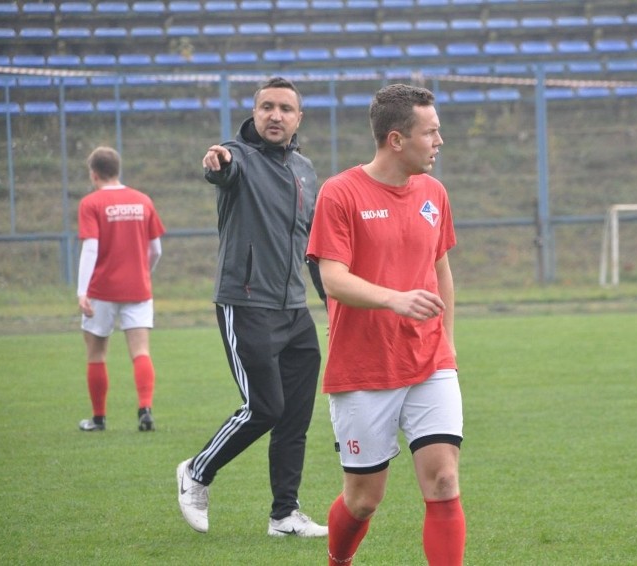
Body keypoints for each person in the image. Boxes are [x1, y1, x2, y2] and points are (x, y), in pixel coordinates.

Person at [306, 84, 465, 565]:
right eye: (431, 132)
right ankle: (339, 560)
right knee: (363, 499)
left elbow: (441, 271)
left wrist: (449, 350)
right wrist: (394, 299)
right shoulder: (340, 193)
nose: (440, 141)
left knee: (443, 480)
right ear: (396, 140)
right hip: (363, 366)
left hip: (429, 359)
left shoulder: (434, 192)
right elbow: (332, 278)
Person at [176, 76, 328, 538]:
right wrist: (216, 163)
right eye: (267, 107)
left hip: (294, 309)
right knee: (264, 407)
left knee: (295, 416)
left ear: (298, 118)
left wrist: (333, 305)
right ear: (254, 112)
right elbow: (220, 169)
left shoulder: (305, 170)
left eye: (285, 108)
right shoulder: (235, 155)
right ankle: (197, 472)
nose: (275, 115)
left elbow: (313, 247)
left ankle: (284, 514)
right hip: (245, 303)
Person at [76, 146, 165, 432]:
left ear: (94, 174)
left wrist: (82, 291)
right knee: (140, 351)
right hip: (138, 288)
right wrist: (143, 273)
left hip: (101, 289)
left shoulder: (91, 203)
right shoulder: (143, 200)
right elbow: (156, 249)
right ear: (117, 170)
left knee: (96, 353)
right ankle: (146, 411)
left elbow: (90, 248)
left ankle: (99, 418)